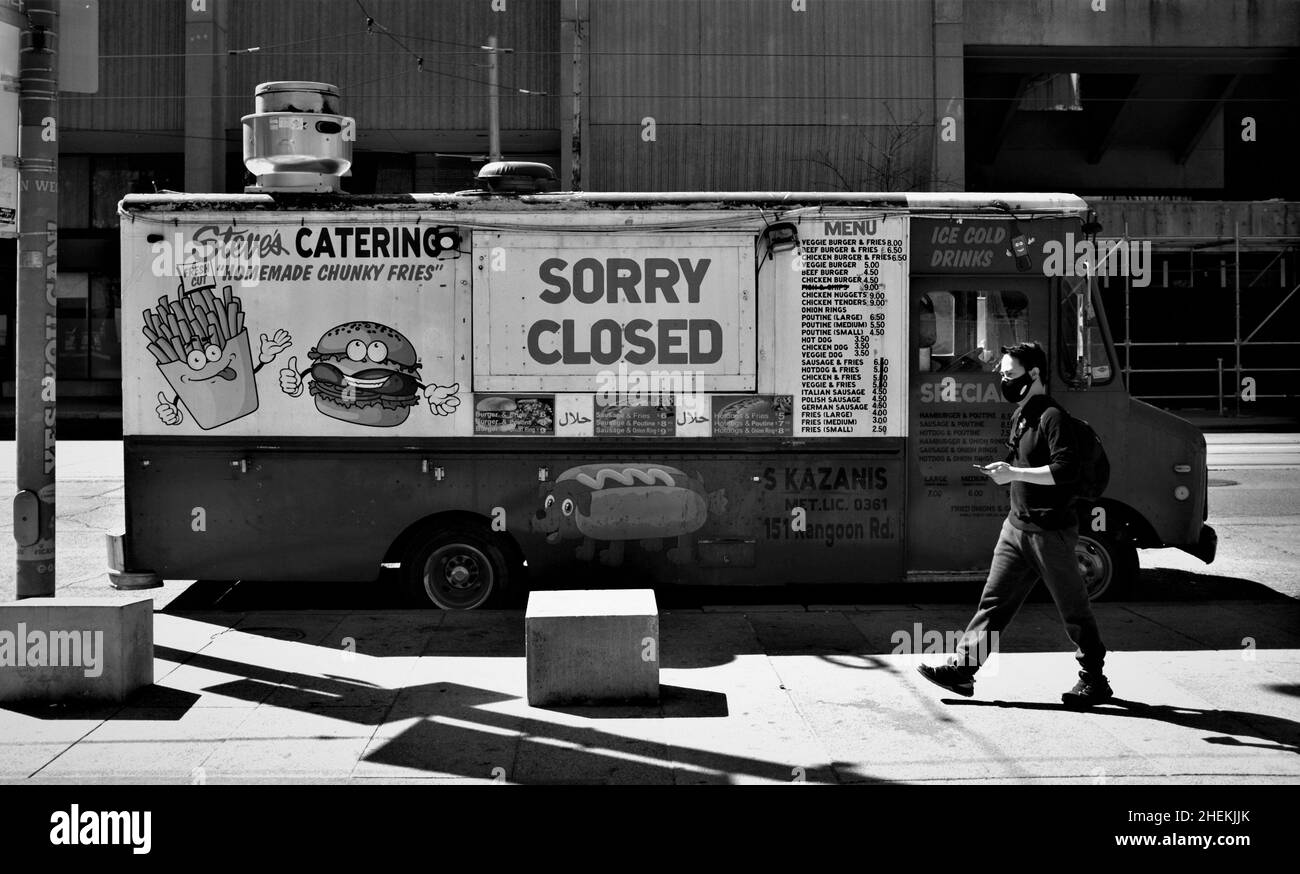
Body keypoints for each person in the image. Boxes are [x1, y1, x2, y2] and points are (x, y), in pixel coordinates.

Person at [917, 340, 1113, 707]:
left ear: (1034, 374)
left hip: (1049, 531)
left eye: (1010, 374)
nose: (1004, 380)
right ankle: (963, 671)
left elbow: (1065, 471)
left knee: (1073, 608)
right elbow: (1020, 462)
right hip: (1016, 528)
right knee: (993, 603)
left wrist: (1015, 473)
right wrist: (1005, 470)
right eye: (1002, 373)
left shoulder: (1052, 417)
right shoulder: (1022, 413)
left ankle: (1094, 679)